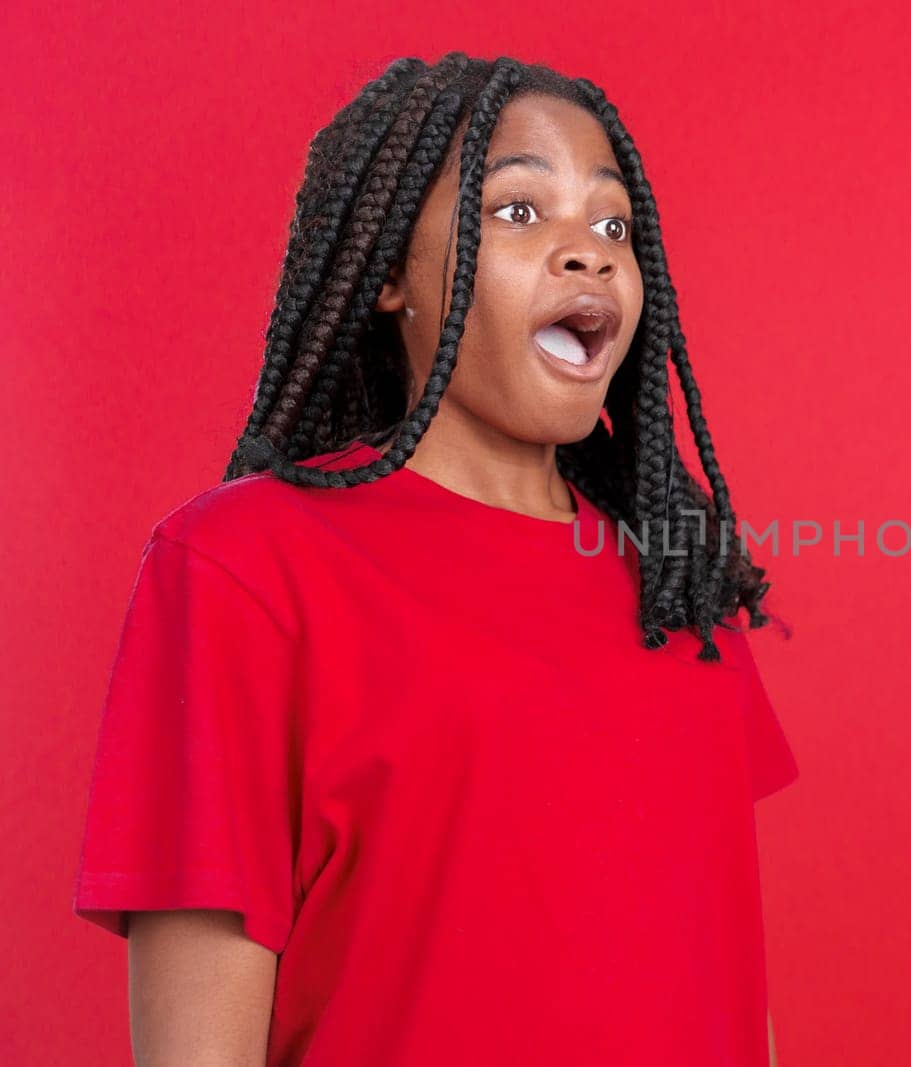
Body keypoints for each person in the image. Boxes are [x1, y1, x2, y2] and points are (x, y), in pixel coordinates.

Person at [71, 52, 797, 1066]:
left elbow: (725, 983)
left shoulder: (676, 587)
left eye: (611, 223)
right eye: (515, 211)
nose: (587, 252)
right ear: (383, 274)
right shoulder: (245, 564)